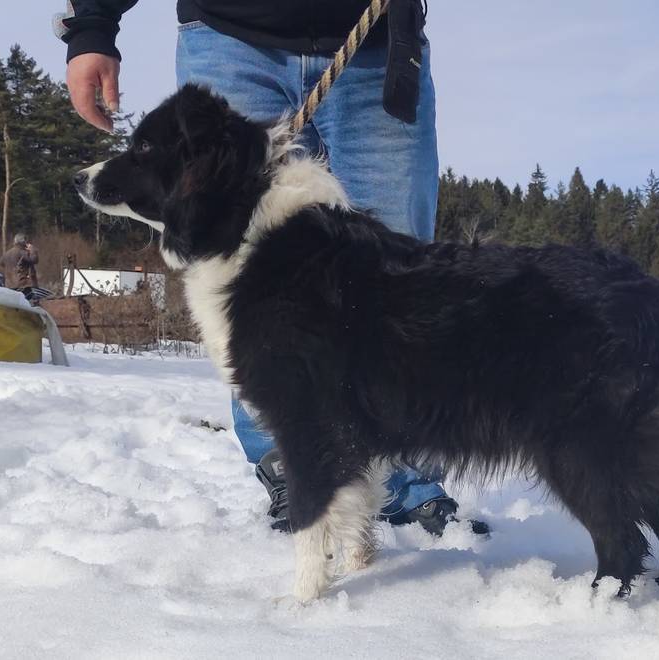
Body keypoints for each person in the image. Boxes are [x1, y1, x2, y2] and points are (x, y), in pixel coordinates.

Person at [56, 0, 486, 536]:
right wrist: (92, 24)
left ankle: (408, 480)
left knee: (398, 278)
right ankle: (293, 470)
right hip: (230, 38)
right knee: (242, 287)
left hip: (373, 42)